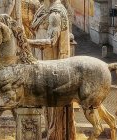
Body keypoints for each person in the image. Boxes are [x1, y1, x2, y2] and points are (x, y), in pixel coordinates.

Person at [27, 0, 76, 139]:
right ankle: (49, 129)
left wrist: (26, 42)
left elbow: (51, 41)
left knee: (51, 103)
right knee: (44, 102)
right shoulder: (42, 9)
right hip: (40, 62)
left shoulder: (56, 13)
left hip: (52, 65)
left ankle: (54, 132)